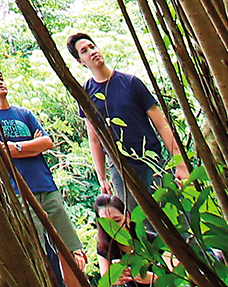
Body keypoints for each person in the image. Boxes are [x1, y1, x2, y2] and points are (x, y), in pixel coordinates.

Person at [0, 65, 90, 287]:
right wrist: (30, 145)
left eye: (1, 77)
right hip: (19, 192)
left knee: (68, 251)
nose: (0, 82)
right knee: (38, 254)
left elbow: (47, 143)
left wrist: (16, 147)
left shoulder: (24, 114)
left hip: (46, 187)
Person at [64, 32, 191, 207]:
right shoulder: (86, 94)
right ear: (81, 61)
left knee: (174, 215)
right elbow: (94, 139)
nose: (92, 52)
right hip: (120, 170)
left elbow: (162, 125)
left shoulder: (130, 82)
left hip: (152, 162)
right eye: (84, 51)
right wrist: (102, 178)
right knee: (141, 226)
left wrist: (180, 162)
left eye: (92, 46)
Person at [90, 197, 159, 287]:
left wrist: (152, 278)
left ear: (127, 217)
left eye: (117, 220)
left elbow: (174, 277)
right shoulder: (104, 247)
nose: (114, 228)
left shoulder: (151, 240)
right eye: (107, 224)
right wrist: (114, 281)